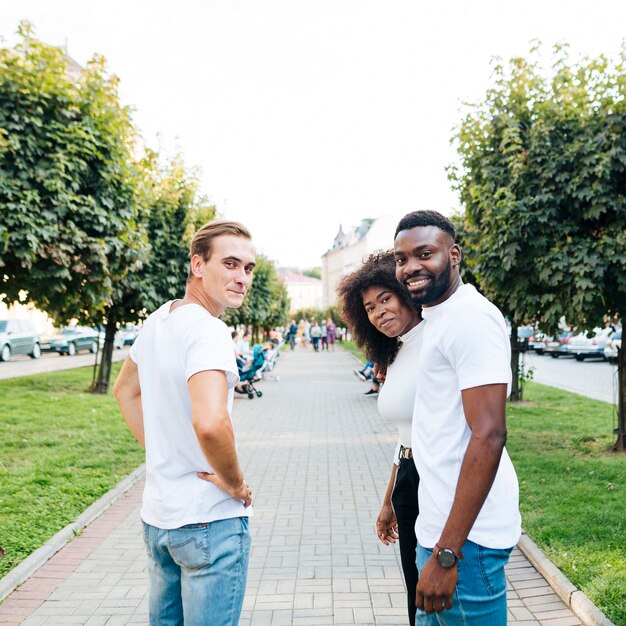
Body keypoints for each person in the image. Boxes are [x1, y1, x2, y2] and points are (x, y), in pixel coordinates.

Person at [113, 220, 256, 626]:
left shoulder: (160, 319)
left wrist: (163, 449)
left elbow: (125, 391)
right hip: (209, 519)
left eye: (248, 268)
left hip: (159, 518)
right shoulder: (210, 331)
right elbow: (210, 422)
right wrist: (235, 482)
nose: (242, 278)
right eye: (230, 264)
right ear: (197, 264)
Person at [394, 210, 521, 625]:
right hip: (438, 532)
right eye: (401, 258)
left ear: (454, 255)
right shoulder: (440, 317)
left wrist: (447, 555)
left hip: (466, 544)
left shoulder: (470, 317)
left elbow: (489, 434)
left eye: (424, 253)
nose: (411, 266)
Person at [337, 251, 423, 626]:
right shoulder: (397, 350)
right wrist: (388, 499)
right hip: (408, 477)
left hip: (437, 479)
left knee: (436, 593)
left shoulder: (434, 341)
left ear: (405, 292)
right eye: (369, 308)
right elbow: (404, 435)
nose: (378, 312)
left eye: (385, 299)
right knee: (415, 594)